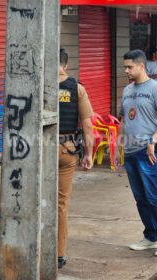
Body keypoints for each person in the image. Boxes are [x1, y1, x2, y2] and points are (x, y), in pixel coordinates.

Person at [120, 49, 157, 257]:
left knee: (153, 196)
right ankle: (150, 237)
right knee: (140, 198)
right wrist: (118, 145)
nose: (126, 70)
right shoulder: (126, 90)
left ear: (141, 66)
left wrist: (154, 140)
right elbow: (125, 119)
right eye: (125, 66)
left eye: (129, 67)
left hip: (148, 151)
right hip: (131, 151)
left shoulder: (156, 89)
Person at [58, 48, 94, 268]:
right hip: (67, 149)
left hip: (40, 149)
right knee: (61, 202)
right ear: (66, 65)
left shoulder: (40, 85)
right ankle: (59, 254)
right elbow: (88, 125)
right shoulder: (77, 88)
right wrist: (88, 154)